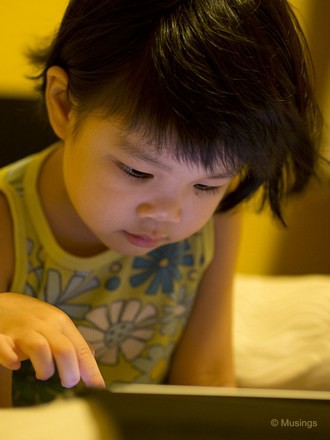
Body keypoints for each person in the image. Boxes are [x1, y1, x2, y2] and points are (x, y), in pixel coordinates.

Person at [0, 0, 322, 407]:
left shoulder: (217, 218)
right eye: (137, 172)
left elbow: (205, 378)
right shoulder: (7, 222)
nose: (169, 214)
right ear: (64, 104)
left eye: (207, 185)